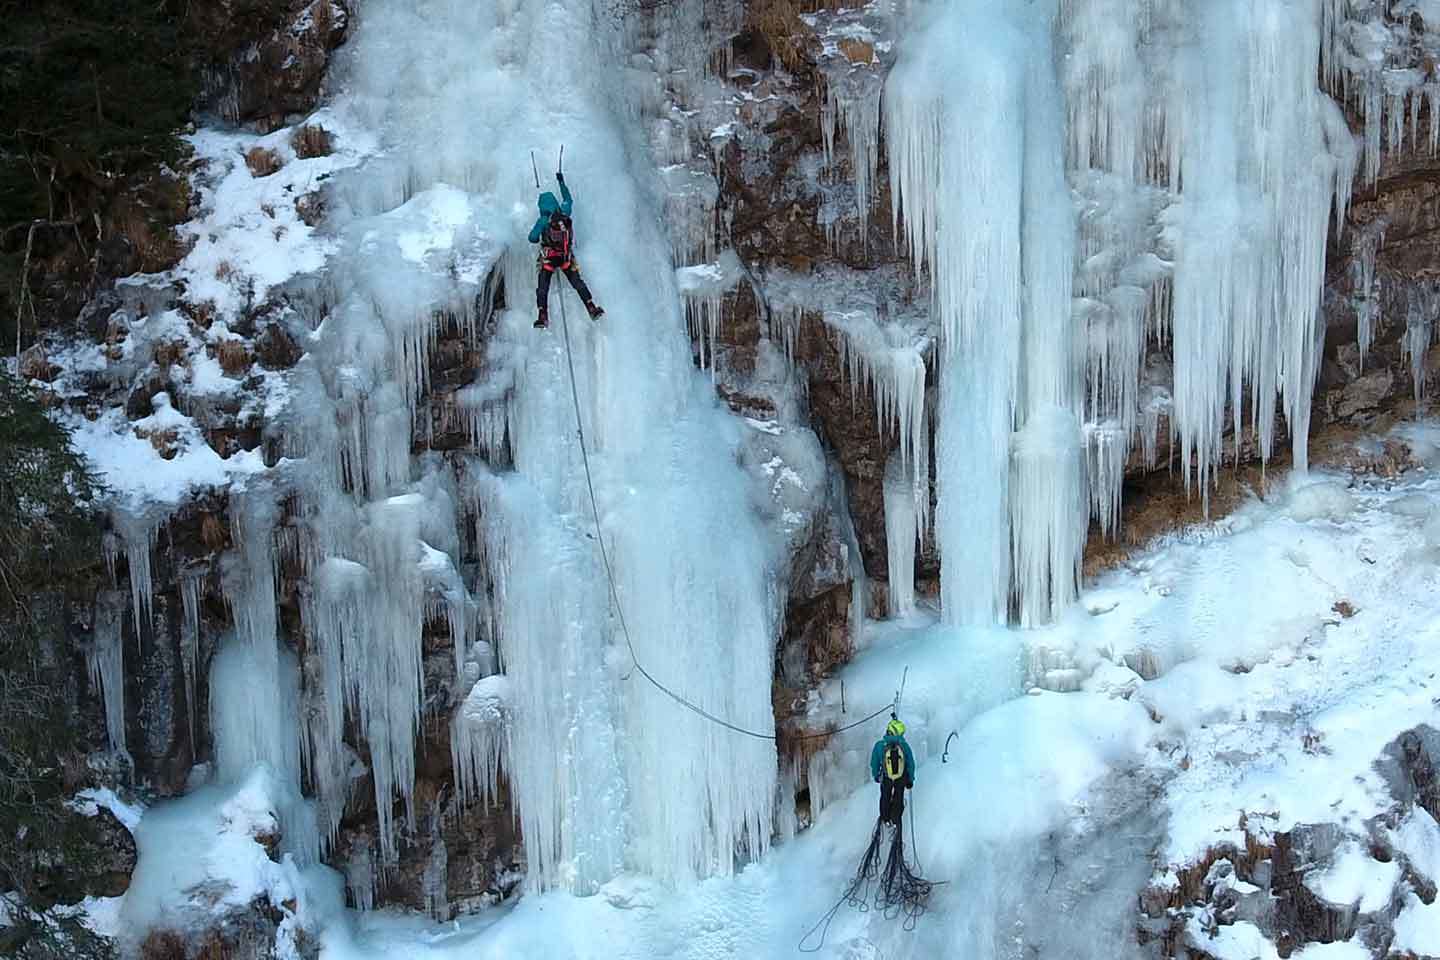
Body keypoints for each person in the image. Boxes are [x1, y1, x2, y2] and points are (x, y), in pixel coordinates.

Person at [528, 171, 604, 329]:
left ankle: (542, 315)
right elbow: (568, 198)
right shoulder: (565, 212)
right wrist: (561, 181)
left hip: (549, 260)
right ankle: (591, 306)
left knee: (543, 287)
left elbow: (532, 238)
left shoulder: (543, 220)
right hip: (565, 258)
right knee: (577, 282)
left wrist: (540, 232)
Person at [869, 716, 915, 826]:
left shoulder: (880, 745)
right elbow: (911, 763)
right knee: (898, 796)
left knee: (885, 796)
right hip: (901, 778)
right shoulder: (904, 746)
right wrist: (910, 779)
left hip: (886, 777)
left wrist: (876, 775)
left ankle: (885, 817)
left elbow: (874, 763)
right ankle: (895, 817)